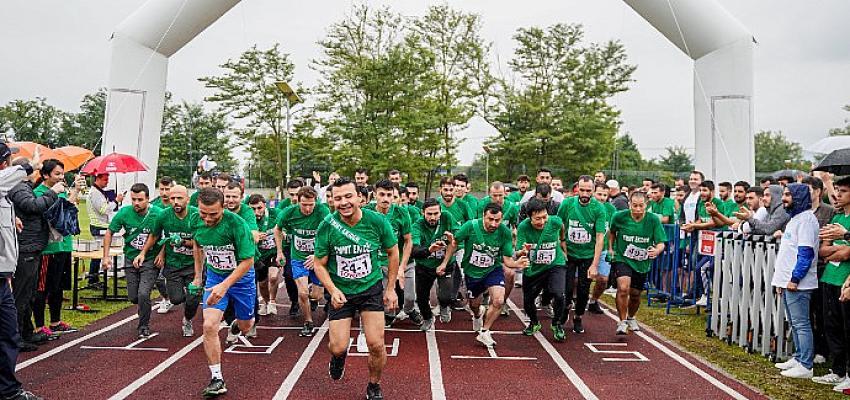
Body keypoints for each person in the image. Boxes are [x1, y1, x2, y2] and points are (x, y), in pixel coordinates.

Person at [312, 177, 399, 400]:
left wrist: (390, 288)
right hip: (341, 292)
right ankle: (338, 357)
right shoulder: (327, 226)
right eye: (337, 198)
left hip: (370, 288)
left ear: (360, 197)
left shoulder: (377, 221)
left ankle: (374, 385)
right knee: (338, 347)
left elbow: (393, 252)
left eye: (348, 196)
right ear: (331, 201)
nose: (344, 202)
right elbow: (319, 264)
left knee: (376, 344)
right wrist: (332, 290)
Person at [189, 188, 256, 397]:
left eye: (213, 214)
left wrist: (225, 285)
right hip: (215, 278)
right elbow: (197, 245)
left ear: (223, 208)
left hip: (241, 280)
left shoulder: (237, 224)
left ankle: (236, 325)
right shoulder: (195, 220)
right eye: (203, 213)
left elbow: (248, 261)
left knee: (247, 325)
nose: (207, 219)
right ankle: (217, 378)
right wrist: (199, 275)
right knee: (209, 325)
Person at [449, 202, 528, 347]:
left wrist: (517, 264)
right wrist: (444, 262)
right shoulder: (470, 226)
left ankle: (485, 332)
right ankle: (478, 313)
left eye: (497, 220)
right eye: (490, 219)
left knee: (498, 300)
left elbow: (507, 259)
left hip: (493, 269)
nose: (494, 223)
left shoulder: (504, 232)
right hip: (472, 272)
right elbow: (454, 242)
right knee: (474, 305)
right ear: (483, 217)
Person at [0, 141, 44, 400]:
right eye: (7, 159)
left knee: (9, 333)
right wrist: (31, 165)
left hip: (2, 277)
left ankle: (8, 390)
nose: (9, 163)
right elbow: (14, 175)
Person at [8, 157, 62, 349]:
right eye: (32, 168)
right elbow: (33, 206)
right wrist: (52, 193)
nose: (35, 172)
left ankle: (26, 332)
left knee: (29, 293)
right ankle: (18, 337)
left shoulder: (23, 186)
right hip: (26, 247)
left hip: (32, 245)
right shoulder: (19, 187)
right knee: (22, 294)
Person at [135, 185, 200, 336]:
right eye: (172, 198)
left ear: (188, 199)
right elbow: (154, 235)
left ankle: (187, 320)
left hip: (193, 264)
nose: (175, 202)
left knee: (193, 299)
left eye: (179, 198)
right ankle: (179, 298)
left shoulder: (196, 215)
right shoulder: (163, 215)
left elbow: (201, 243)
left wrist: (183, 242)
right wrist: (143, 253)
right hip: (173, 264)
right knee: (177, 299)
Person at [772, 184, 819, 379]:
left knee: (801, 323)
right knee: (794, 322)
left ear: (799, 197)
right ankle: (799, 357)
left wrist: (794, 279)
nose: (784, 198)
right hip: (787, 282)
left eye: (788, 195)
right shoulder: (794, 219)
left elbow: (806, 254)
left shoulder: (806, 220)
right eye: (784, 194)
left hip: (798, 283)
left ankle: (806, 365)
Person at [104, 184, 162, 338]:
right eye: (133, 199)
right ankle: (144, 305)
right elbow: (109, 232)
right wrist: (105, 256)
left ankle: (143, 326)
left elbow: (166, 235)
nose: (136, 203)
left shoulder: (158, 213)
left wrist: (162, 254)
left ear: (148, 199)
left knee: (143, 294)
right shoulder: (124, 213)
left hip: (149, 260)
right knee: (134, 297)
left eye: (140, 200)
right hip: (130, 258)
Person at [32, 160, 82, 337]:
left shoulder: (61, 192)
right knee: (41, 288)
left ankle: (55, 322)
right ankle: (39, 326)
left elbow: (67, 212)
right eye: (57, 174)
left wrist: (75, 190)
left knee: (58, 287)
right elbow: (47, 214)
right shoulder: (38, 193)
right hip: (47, 249)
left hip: (64, 245)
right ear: (46, 175)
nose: (61, 177)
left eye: (62, 174)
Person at [608, 191, 666, 335]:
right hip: (623, 258)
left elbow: (661, 242)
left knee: (635, 294)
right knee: (623, 288)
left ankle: (631, 317)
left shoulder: (653, 220)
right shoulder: (619, 216)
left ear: (646, 205)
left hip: (641, 262)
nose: (638, 209)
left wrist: (657, 251)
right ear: (629, 204)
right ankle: (621, 322)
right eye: (634, 206)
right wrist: (610, 248)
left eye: (641, 206)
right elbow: (612, 232)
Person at [275, 186, 330, 336]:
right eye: (304, 204)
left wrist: (317, 255)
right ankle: (308, 322)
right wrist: (280, 252)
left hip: (317, 258)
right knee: (303, 293)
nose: (307, 208)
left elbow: (328, 234)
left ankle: (313, 300)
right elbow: (277, 229)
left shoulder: (322, 211)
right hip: (298, 258)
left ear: (316, 202)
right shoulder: (289, 212)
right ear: (297, 202)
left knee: (317, 296)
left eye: (311, 204)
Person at [557, 176, 607, 334]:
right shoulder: (567, 204)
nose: (585, 193)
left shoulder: (598, 209)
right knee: (566, 287)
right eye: (582, 190)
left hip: (587, 255)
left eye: (588, 190)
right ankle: (565, 307)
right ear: (577, 189)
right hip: (569, 253)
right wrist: (561, 246)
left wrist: (594, 264)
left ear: (593, 190)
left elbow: (600, 238)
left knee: (584, 290)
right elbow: (559, 224)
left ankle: (578, 316)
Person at [365, 180, 417, 327]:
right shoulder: (367, 212)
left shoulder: (401, 212)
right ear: (375, 195)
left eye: (389, 195)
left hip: (400, 260)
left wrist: (402, 266)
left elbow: (408, 241)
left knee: (409, 297)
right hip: (378, 263)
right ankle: (389, 315)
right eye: (382, 194)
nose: (385, 199)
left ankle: (410, 309)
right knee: (384, 297)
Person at [814, 176, 850, 390]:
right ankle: (837, 371)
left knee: (848, 329)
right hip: (829, 277)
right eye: (836, 190)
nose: (837, 195)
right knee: (831, 326)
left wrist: (842, 250)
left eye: (843, 191)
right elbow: (823, 250)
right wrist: (841, 250)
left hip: (845, 280)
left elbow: (847, 253)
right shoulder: (837, 217)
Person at [516, 199, 567, 341]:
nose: (542, 221)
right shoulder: (523, 227)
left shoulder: (555, 221)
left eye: (545, 217)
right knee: (528, 300)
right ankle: (534, 322)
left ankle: (557, 324)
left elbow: (562, 227)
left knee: (559, 294)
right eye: (538, 219)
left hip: (554, 264)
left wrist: (562, 241)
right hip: (534, 269)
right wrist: (523, 251)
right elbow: (518, 251)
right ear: (529, 217)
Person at [411, 199, 458, 330]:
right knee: (421, 298)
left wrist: (452, 239)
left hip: (445, 264)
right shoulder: (417, 226)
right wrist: (429, 250)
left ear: (441, 212)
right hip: (424, 266)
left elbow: (457, 238)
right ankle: (427, 318)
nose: (433, 217)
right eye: (429, 214)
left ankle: (444, 305)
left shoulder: (447, 218)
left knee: (446, 296)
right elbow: (414, 250)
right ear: (422, 213)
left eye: (436, 213)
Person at [87, 173, 123, 289]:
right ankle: (93, 280)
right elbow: (103, 210)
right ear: (97, 179)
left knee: (100, 253)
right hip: (99, 226)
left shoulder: (98, 192)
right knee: (98, 254)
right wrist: (116, 201)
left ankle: (94, 278)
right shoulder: (95, 193)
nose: (107, 182)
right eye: (105, 180)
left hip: (100, 225)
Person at [247, 195, 281, 317]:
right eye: (253, 209)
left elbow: (284, 226)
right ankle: (266, 303)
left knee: (273, 277)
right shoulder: (249, 219)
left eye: (259, 208)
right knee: (262, 283)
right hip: (259, 255)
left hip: (272, 252)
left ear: (265, 205)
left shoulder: (275, 213)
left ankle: (272, 301)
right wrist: (253, 236)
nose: (256, 212)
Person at [587, 183, 617, 314]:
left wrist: (611, 248)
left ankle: (593, 301)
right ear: (593, 193)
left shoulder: (611, 209)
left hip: (603, 248)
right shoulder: (587, 206)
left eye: (605, 195)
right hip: (586, 248)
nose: (602, 197)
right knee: (578, 280)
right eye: (599, 194)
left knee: (603, 279)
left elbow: (612, 231)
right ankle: (574, 299)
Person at [151, 176, 175, 314]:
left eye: (167, 189)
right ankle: (167, 298)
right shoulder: (154, 206)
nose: (165, 192)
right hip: (158, 247)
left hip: (176, 248)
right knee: (158, 278)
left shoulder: (177, 205)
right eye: (162, 189)